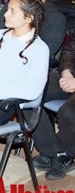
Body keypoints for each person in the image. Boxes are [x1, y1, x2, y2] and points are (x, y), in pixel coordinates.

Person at [31, 35, 75, 180]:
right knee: (28, 91)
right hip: (70, 77)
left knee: (69, 112)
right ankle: (54, 151)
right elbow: (69, 50)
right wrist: (66, 73)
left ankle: (67, 156)